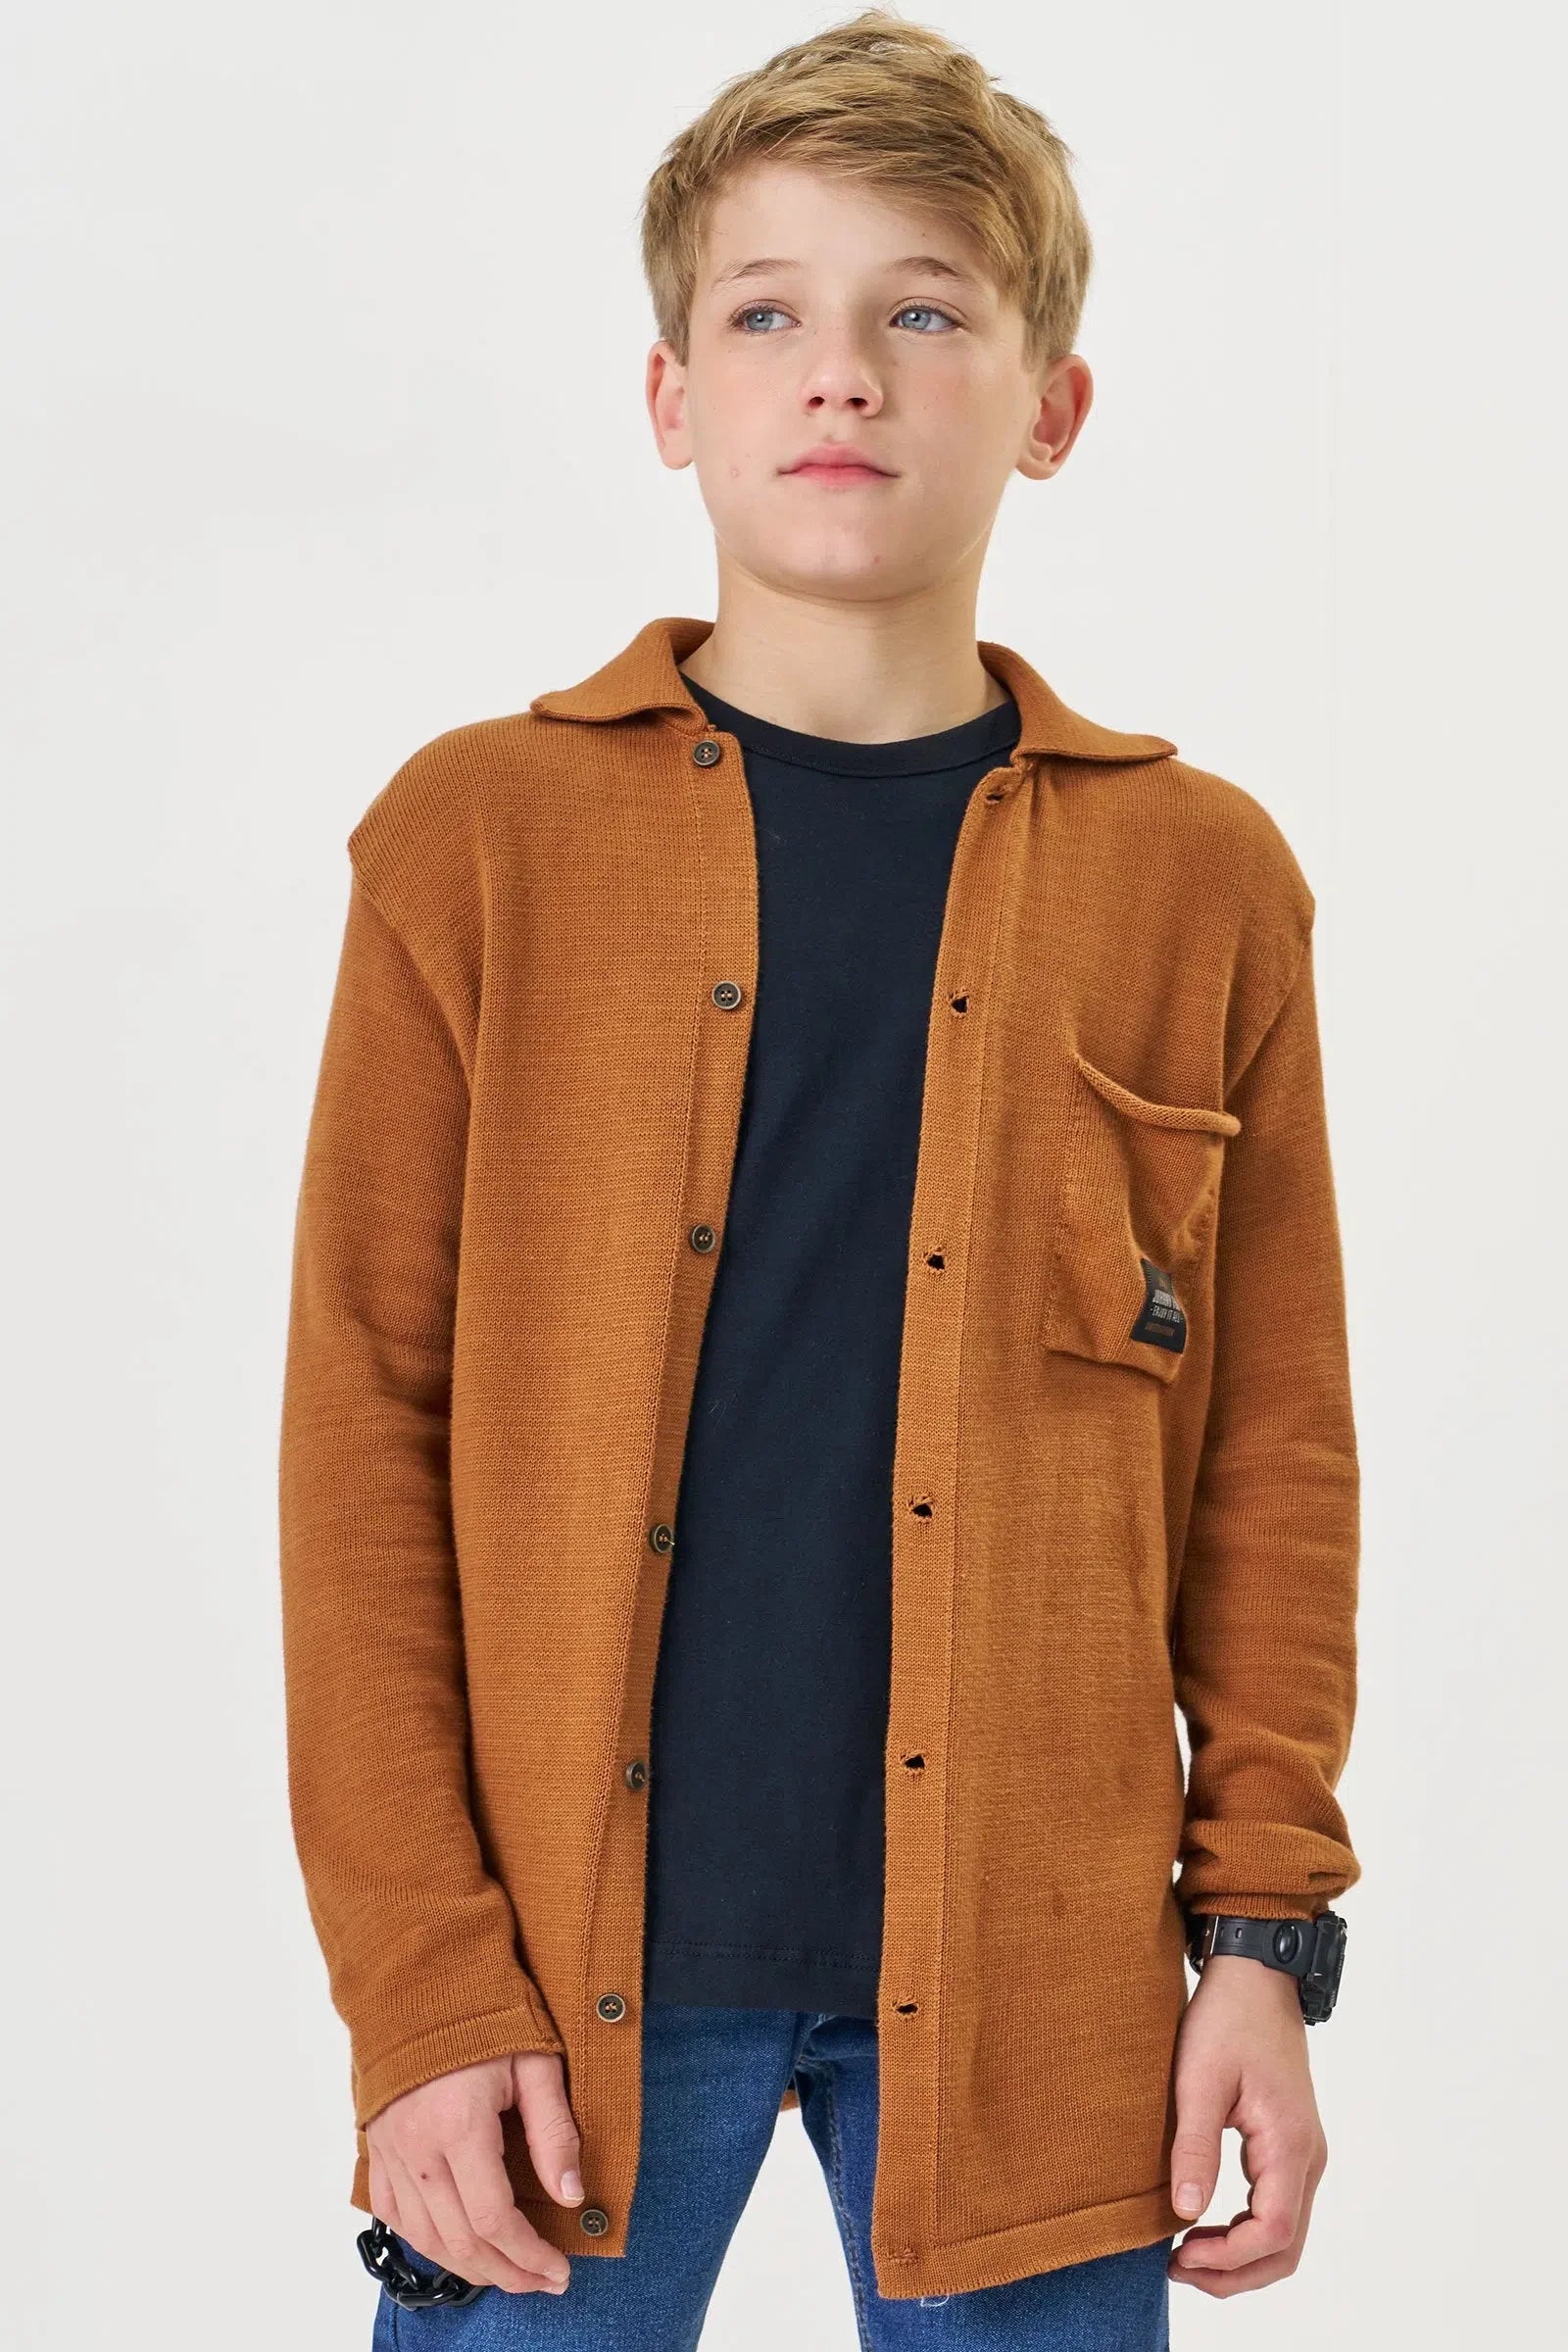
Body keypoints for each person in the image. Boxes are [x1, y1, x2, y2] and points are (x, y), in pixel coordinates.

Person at [277, 10, 1360, 2344]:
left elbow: (1270, 1453)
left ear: (1050, 403)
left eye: (925, 312)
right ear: (670, 395)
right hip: (552, 2000)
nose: (841, 371)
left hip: (1040, 1981)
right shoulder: (476, 841)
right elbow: (360, 1434)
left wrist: (1261, 1941)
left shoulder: (1197, 881)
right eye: (765, 312)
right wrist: (416, 1987)